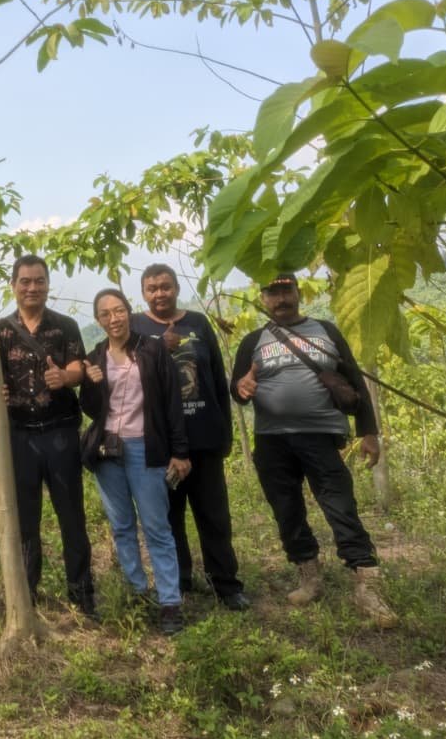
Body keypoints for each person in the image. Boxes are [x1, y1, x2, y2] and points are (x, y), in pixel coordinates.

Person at [230, 273, 397, 628]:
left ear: (298, 293)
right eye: (272, 294)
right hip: (272, 440)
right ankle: (309, 576)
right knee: (287, 511)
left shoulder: (326, 332)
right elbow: (237, 387)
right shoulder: (252, 341)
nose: (280, 299)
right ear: (263, 299)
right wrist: (241, 386)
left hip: (321, 436)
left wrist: (368, 432)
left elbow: (354, 379)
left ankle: (367, 584)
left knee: (340, 506)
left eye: (286, 291)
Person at [0, 254, 96, 618]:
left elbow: (78, 366)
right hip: (19, 436)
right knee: (25, 519)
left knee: (71, 515)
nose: (32, 287)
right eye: (25, 281)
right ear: (12, 285)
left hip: (59, 431)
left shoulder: (65, 325)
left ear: (47, 284)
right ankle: (27, 593)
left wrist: (65, 377)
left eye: (39, 280)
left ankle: (82, 593)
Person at [131, 264, 251, 611]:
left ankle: (227, 585)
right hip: (162, 443)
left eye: (165, 286)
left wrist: (224, 432)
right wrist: (159, 348)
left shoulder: (197, 323)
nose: (159, 293)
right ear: (143, 294)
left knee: (214, 516)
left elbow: (214, 376)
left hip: (204, 438)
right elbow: (130, 377)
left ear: (176, 288)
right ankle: (181, 580)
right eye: (152, 288)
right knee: (169, 518)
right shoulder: (137, 328)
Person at [80, 288, 191, 635]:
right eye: (105, 314)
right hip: (107, 452)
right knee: (122, 526)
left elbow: (172, 402)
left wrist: (180, 451)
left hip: (146, 448)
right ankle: (138, 591)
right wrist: (91, 384)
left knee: (157, 527)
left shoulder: (153, 349)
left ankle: (170, 602)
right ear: (98, 320)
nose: (113, 318)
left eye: (119, 310)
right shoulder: (95, 356)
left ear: (129, 312)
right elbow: (91, 410)